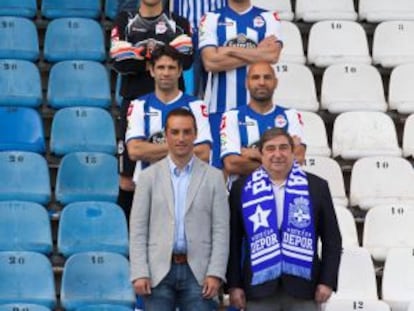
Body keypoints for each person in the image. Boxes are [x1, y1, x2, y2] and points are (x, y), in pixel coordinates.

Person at [227, 128, 342, 311]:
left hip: (305, 287)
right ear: (261, 153)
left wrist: (327, 281)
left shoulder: (316, 187)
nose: (277, 154)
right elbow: (232, 241)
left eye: (283, 148)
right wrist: (234, 285)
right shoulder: (242, 189)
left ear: (292, 151)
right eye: (271, 149)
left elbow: (332, 240)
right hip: (258, 289)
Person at [129, 108, 229, 311]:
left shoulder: (214, 177)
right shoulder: (148, 177)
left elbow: (221, 230)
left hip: (199, 274)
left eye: (186, 132)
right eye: (174, 132)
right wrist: (139, 271)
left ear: (195, 134)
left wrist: (215, 272)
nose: (181, 138)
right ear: (166, 135)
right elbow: (138, 228)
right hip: (158, 272)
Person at [110, 0, 193, 219]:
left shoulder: (179, 22)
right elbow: (119, 60)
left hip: (175, 104)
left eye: (166, 66)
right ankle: (127, 244)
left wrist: (140, 52)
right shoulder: (124, 20)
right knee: (128, 180)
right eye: (158, 67)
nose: (162, 68)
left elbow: (186, 57)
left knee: (179, 176)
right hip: (134, 103)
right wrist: (163, 52)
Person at [198, 0, 283, 168]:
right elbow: (210, 62)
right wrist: (258, 52)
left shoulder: (269, 17)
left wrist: (228, 50)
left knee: (264, 167)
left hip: (260, 112)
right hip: (219, 110)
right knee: (221, 171)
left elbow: (272, 55)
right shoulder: (211, 18)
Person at [126, 45, 212, 206]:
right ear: (152, 71)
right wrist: (182, 148)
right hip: (149, 189)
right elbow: (134, 151)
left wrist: (150, 150)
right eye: (161, 67)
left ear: (179, 72)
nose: (166, 73)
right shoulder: (138, 105)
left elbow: (203, 153)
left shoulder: (196, 106)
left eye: (171, 68)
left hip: (188, 189)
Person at [220, 61, 306, 186]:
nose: (261, 82)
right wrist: (280, 161)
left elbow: (298, 159)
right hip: (242, 195)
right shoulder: (232, 116)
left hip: (283, 194)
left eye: (267, 77)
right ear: (247, 83)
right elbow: (232, 164)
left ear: (275, 83)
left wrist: (255, 154)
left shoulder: (291, 115)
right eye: (255, 78)